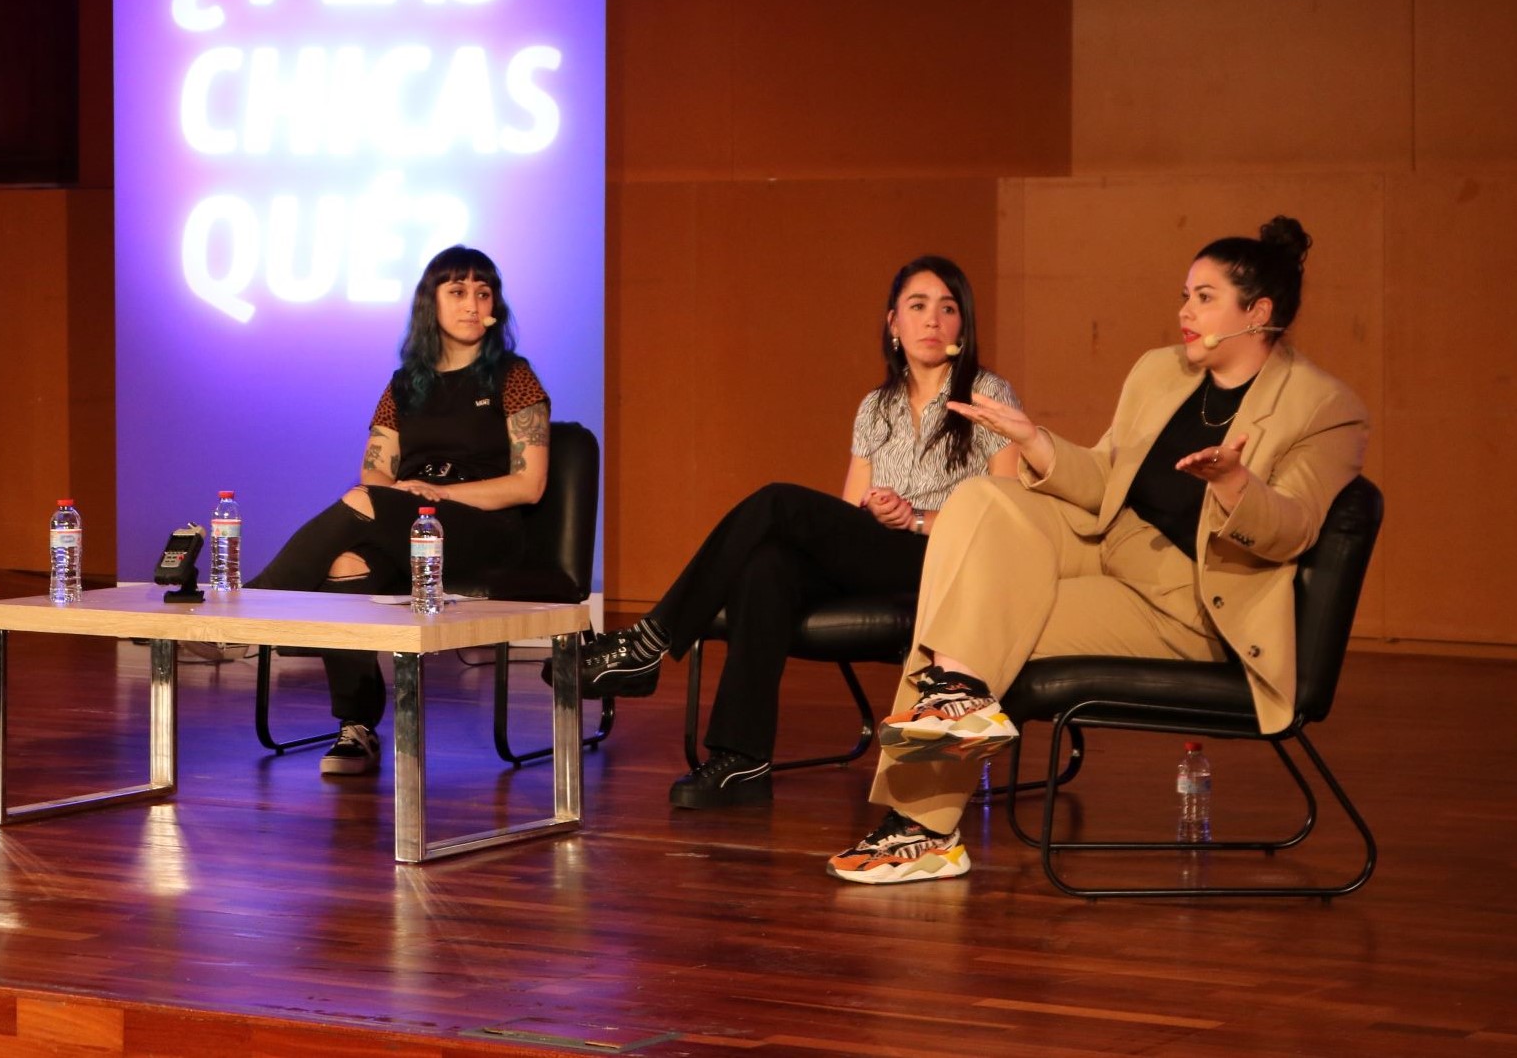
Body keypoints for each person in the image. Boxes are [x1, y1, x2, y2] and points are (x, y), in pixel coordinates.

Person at [830, 216, 1369, 885]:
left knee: (968, 623)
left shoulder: (1322, 406)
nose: (1183, 311)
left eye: (1203, 297)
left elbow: (1291, 528)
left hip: (1188, 600)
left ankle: (923, 828)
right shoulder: (1158, 372)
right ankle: (957, 708)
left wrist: (1233, 483)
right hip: (1105, 543)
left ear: (1256, 311)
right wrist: (1031, 440)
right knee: (977, 501)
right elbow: (1104, 481)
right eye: (1184, 294)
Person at [572, 256, 1021, 808]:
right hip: (880, 550)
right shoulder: (874, 407)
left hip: (946, 558)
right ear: (893, 324)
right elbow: (848, 509)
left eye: (947, 309)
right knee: (768, 565)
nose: (933, 320)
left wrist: (918, 519)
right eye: (918, 307)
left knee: (778, 503)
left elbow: (1008, 516)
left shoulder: (986, 396)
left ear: (961, 326)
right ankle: (743, 760)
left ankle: (650, 641)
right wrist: (875, 508)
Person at [247, 245, 553, 777]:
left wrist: (435, 498)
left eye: (483, 293)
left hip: (484, 530)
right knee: (347, 565)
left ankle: (252, 607)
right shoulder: (403, 384)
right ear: (429, 304)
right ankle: (356, 727)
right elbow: (377, 473)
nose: (472, 304)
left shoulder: (514, 377)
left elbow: (529, 485)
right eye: (457, 292)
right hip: (414, 523)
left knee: (358, 502)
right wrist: (408, 499)